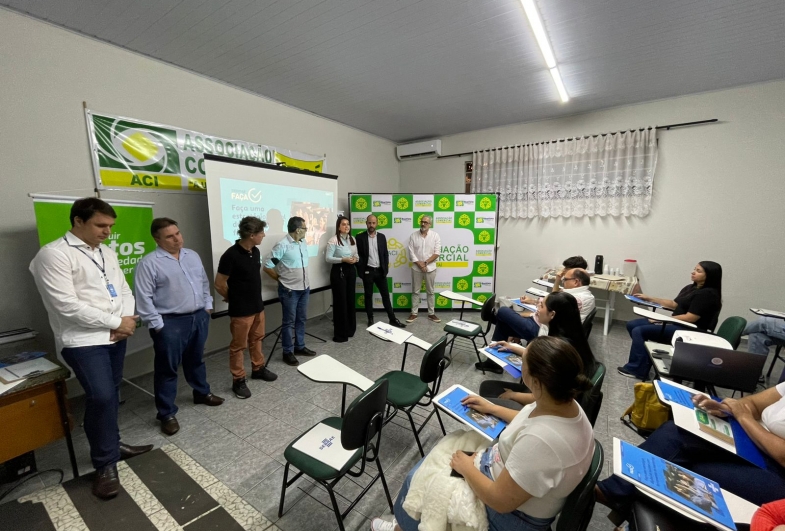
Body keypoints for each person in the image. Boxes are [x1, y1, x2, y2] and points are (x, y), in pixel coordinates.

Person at [371, 336, 595, 531]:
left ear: (535, 383)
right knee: (447, 446)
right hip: (505, 474)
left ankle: (402, 527)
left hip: (511, 517)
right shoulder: (563, 402)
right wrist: (492, 408)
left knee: (421, 482)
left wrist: (466, 468)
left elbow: (500, 501)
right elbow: (527, 422)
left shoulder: (542, 443)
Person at [29, 197, 152, 499]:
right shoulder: (54, 255)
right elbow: (65, 305)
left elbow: (123, 288)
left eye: (110, 226)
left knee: (111, 396)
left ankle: (112, 444)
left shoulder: (105, 252)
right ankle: (105, 463)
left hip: (115, 335)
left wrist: (125, 320)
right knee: (101, 396)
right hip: (83, 341)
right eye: (101, 225)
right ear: (78, 221)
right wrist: (114, 322)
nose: (107, 231)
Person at [595, 382, 785, 516]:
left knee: (688, 475)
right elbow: (751, 404)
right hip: (753, 439)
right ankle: (613, 492)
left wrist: (744, 418)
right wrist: (727, 408)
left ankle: (623, 504)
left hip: (778, 473)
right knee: (675, 432)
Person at [134, 218, 224, 436]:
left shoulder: (191, 255)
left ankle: (201, 393)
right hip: (170, 322)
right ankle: (166, 413)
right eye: (169, 236)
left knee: (196, 359)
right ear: (157, 239)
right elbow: (143, 297)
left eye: (178, 233)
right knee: (167, 368)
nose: (177, 239)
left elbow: (203, 282)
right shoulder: (149, 263)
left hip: (198, 317)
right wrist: (158, 325)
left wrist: (208, 306)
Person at [479, 292, 598, 408]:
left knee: (487, 393)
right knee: (487, 387)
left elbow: (544, 398)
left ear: (552, 314)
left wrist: (512, 395)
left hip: (550, 406)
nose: (537, 310)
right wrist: (513, 348)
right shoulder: (570, 336)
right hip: (555, 398)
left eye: (541, 306)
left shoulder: (557, 348)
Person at [617, 261, 723, 380]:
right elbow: (674, 304)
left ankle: (637, 369)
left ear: (709, 276)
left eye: (698, 271)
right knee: (632, 324)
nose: (693, 272)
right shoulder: (691, 288)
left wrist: (662, 320)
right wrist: (650, 298)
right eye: (694, 269)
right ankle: (645, 361)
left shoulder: (707, 294)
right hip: (678, 323)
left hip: (689, 330)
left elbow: (691, 318)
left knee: (639, 330)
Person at [216, 216, 278, 400]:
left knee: (257, 339)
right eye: (261, 233)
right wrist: (231, 297)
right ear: (251, 235)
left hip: (258, 306)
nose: (263, 235)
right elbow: (219, 284)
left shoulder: (256, 251)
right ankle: (238, 379)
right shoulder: (230, 255)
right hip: (241, 310)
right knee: (238, 346)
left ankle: (258, 368)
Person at [263, 216, 317, 366]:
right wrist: (281, 280)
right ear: (298, 229)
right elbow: (267, 266)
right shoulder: (282, 245)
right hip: (290, 291)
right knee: (289, 322)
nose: (306, 231)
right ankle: (287, 351)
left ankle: (299, 346)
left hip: (304, 288)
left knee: (301, 319)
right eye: (305, 228)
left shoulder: (302, 242)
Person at [355, 214, 406, 328]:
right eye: (369, 223)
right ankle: (370, 319)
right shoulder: (360, 237)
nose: (371, 225)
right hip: (367, 271)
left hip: (380, 272)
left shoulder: (382, 237)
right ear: (366, 223)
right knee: (368, 296)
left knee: (386, 296)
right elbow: (356, 255)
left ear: (377, 223)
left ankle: (392, 319)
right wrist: (361, 271)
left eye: (373, 223)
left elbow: (385, 254)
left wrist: (385, 269)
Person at [325, 216, 359, 342]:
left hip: (350, 270)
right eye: (344, 224)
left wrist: (355, 259)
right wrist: (342, 259)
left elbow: (356, 255)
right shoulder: (333, 240)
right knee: (341, 303)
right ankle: (340, 334)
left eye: (348, 224)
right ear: (338, 227)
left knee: (350, 300)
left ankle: (350, 329)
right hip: (339, 271)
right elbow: (328, 258)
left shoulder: (352, 239)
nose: (347, 226)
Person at [406, 215, 441, 323]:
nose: (423, 224)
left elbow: (437, 253)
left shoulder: (435, 236)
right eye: (422, 221)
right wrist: (420, 264)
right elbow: (411, 252)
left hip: (430, 268)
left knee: (430, 292)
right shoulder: (413, 236)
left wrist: (425, 263)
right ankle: (414, 313)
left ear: (430, 224)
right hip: (416, 268)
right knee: (415, 291)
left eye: (425, 222)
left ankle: (431, 314)